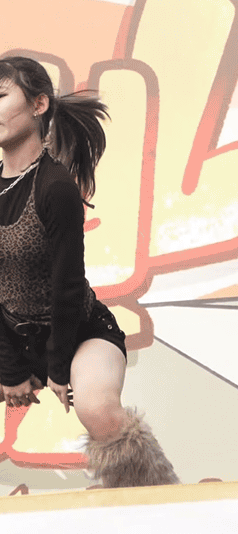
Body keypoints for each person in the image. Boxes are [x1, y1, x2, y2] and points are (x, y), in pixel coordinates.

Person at [0, 56, 178, 486]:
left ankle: (159, 500)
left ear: (39, 105)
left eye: (0, 96)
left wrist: (58, 367)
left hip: (78, 333)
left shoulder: (55, 187)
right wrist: (10, 368)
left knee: (98, 409)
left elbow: (66, 287)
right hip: (9, 334)